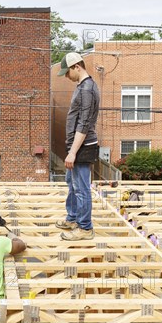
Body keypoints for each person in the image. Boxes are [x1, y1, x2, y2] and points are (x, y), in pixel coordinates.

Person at [56, 52, 100, 241]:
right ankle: (73, 218)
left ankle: (85, 228)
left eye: (68, 72)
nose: (66, 76)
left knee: (81, 188)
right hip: (76, 146)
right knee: (72, 184)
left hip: (82, 147)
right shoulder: (82, 86)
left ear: (77, 67)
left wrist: (73, 152)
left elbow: (84, 123)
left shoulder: (87, 89)